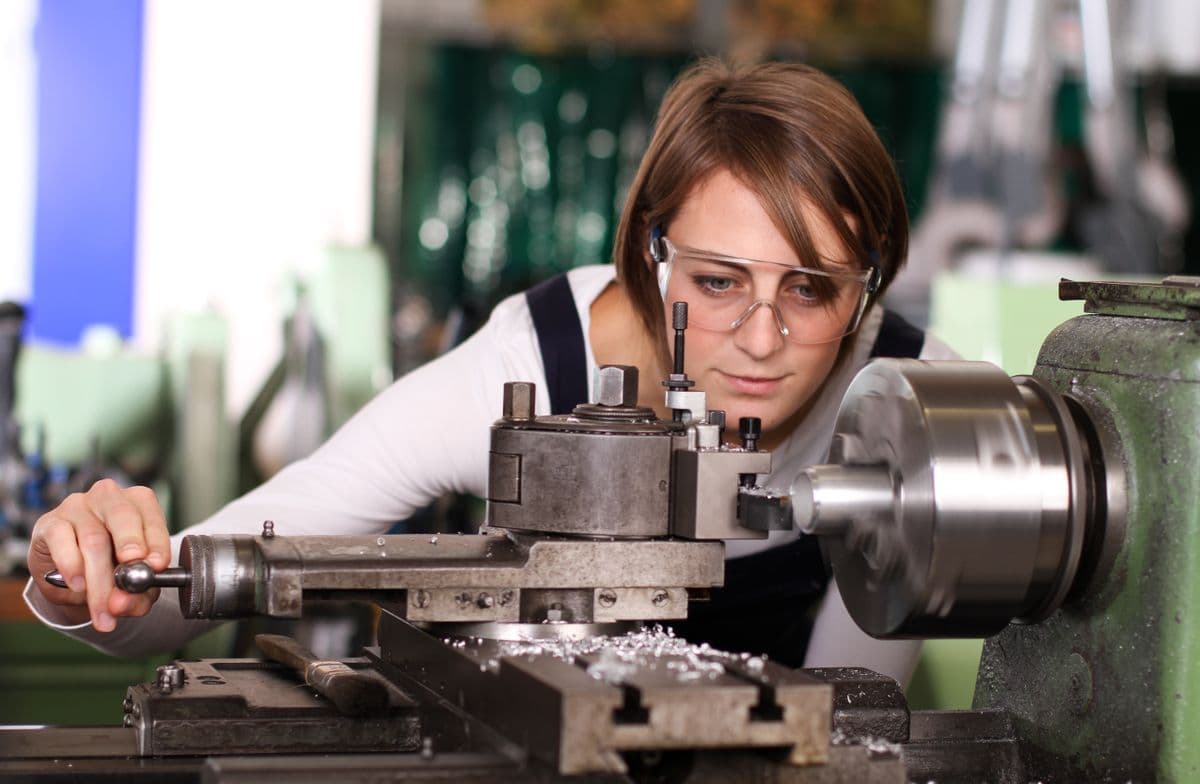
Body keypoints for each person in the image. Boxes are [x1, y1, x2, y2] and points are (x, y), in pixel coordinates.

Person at [24, 59, 955, 680]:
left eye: (811, 290)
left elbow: (853, 719)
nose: (761, 338)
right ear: (650, 250)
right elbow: (171, 606)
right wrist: (86, 571)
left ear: (868, 283)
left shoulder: (918, 409)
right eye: (718, 283)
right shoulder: (524, 366)